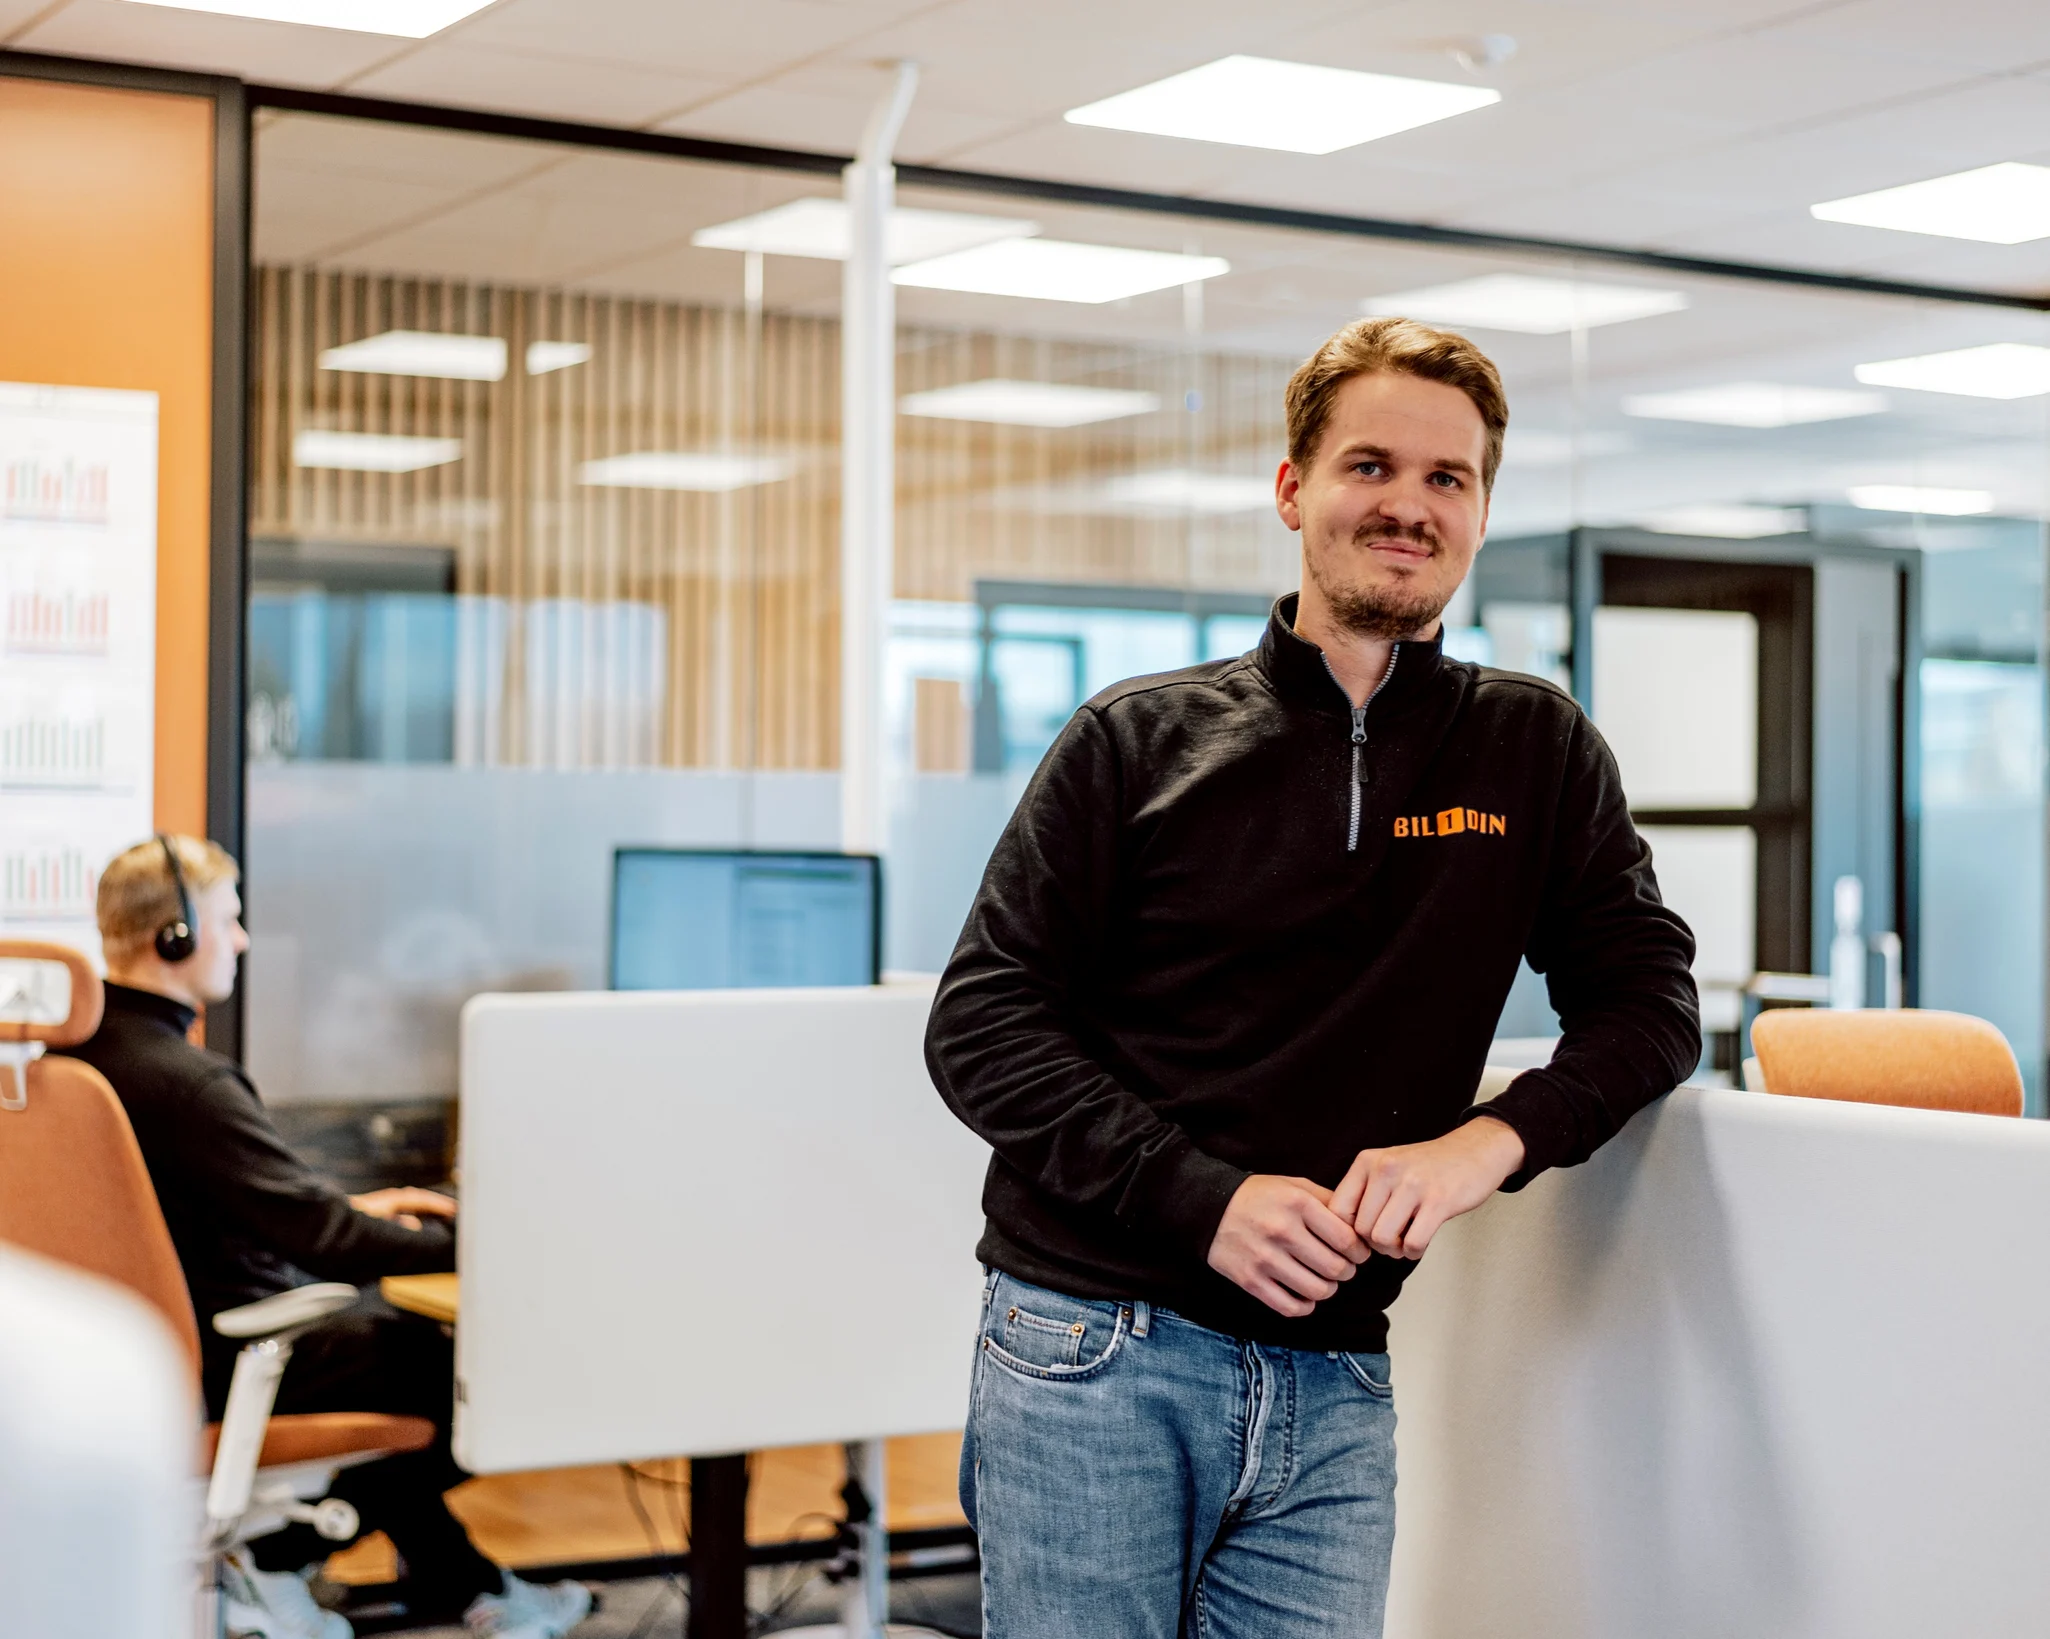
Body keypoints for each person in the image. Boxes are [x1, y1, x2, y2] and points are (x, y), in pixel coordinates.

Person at [926, 316, 1701, 1638]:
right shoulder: (1134, 738)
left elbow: (1648, 1004)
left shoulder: (1534, 749)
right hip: (1094, 1343)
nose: (1408, 505)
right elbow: (982, 1023)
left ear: (1479, 511)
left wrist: (1485, 1144)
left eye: (1446, 477)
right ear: (1293, 490)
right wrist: (1202, 1199)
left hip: (1335, 1376)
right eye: (1369, 465)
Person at [64, 835, 591, 1639]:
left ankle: (466, 1582)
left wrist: (359, 1208)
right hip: (236, 1352)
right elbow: (328, 1242)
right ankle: (277, 1554)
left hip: (152, 1347)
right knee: (466, 1371)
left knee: (396, 1340)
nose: (241, 940)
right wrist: (490, 1244)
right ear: (175, 935)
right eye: (229, 920)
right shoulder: (188, 1082)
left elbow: (209, 1209)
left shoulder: (78, 1064)